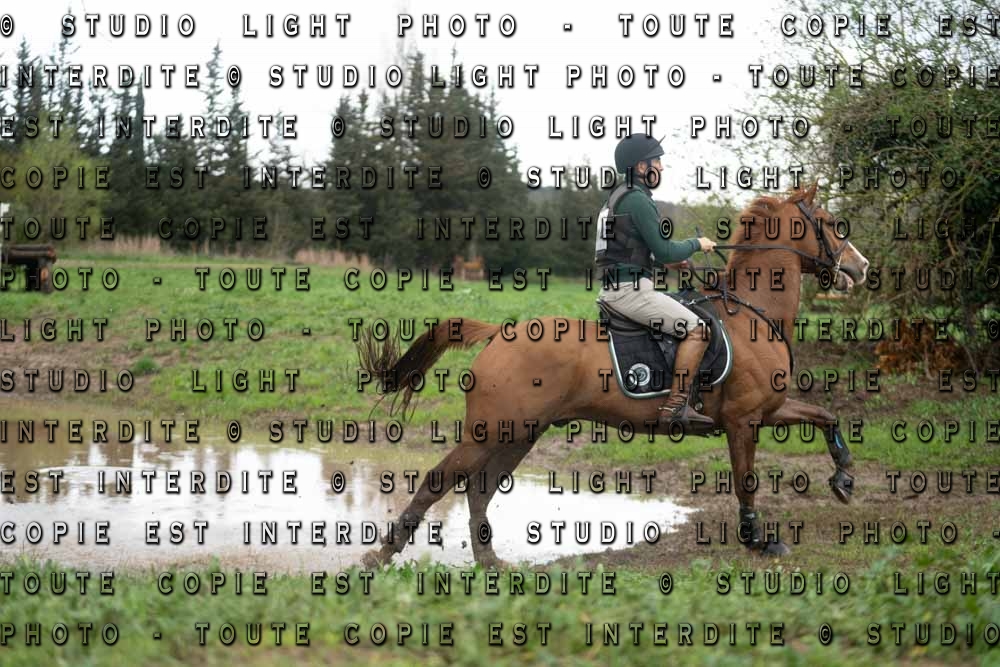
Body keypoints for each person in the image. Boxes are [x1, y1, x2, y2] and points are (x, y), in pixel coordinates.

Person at [596, 133, 717, 430]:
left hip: (617, 288)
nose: (661, 167)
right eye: (657, 161)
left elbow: (633, 251)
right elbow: (664, 249)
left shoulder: (616, 197)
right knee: (697, 330)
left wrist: (670, 262)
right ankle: (675, 407)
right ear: (641, 166)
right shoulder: (637, 199)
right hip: (631, 292)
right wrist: (697, 243)